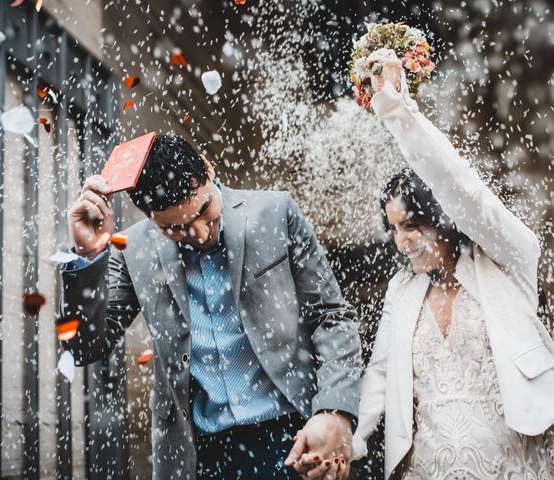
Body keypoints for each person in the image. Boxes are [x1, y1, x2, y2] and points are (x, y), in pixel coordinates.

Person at [60, 134, 361, 480]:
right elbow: (83, 346)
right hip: (197, 455)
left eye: (204, 211)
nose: (200, 233)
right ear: (150, 218)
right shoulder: (133, 249)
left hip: (291, 437)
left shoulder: (275, 213)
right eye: (176, 228)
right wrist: (88, 254)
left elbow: (331, 317)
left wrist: (335, 409)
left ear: (206, 167)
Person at [351, 49, 554, 479]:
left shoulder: (506, 263)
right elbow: (379, 375)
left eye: (412, 225)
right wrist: (350, 441)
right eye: (395, 229)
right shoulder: (401, 292)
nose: (402, 241)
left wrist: (400, 111)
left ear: (442, 218)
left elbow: (463, 188)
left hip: (517, 467)